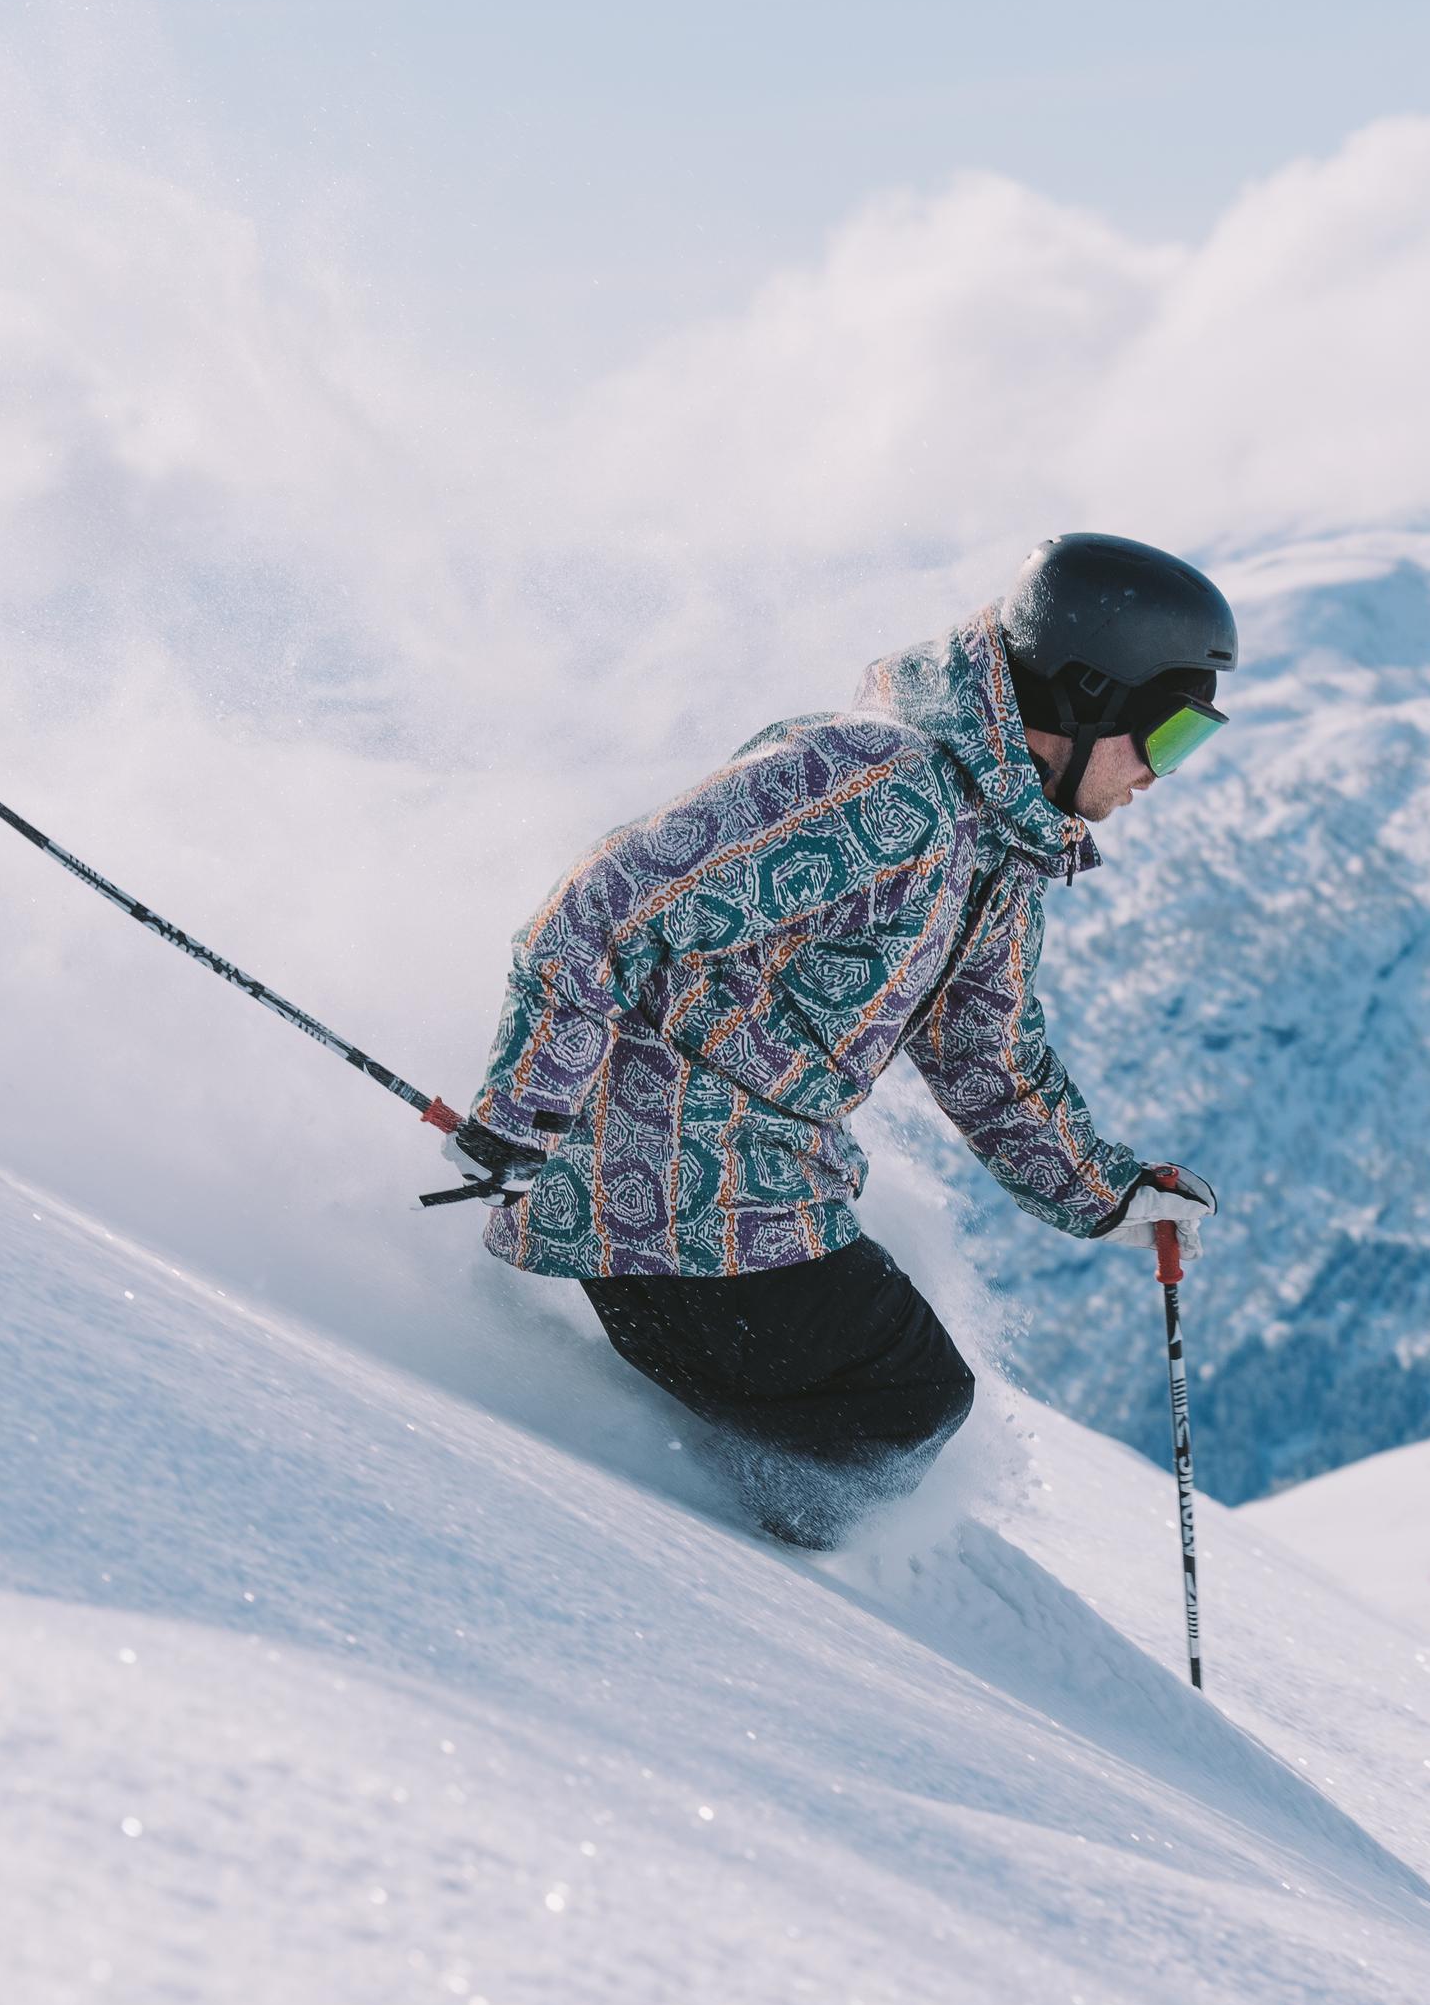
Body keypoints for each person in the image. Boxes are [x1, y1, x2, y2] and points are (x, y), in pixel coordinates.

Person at [437, 533, 1233, 1546]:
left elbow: (989, 1060)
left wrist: (1108, 1194)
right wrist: (522, 1114)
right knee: (901, 1396)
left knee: (902, 1396)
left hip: (739, 1186)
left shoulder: (995, 846)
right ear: (1082, 698)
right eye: (1168, 736)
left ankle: (756, 1557)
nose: (1163, 776)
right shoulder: (875, 783)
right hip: (647, 1192)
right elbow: (608, 904)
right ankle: (728, 1582)